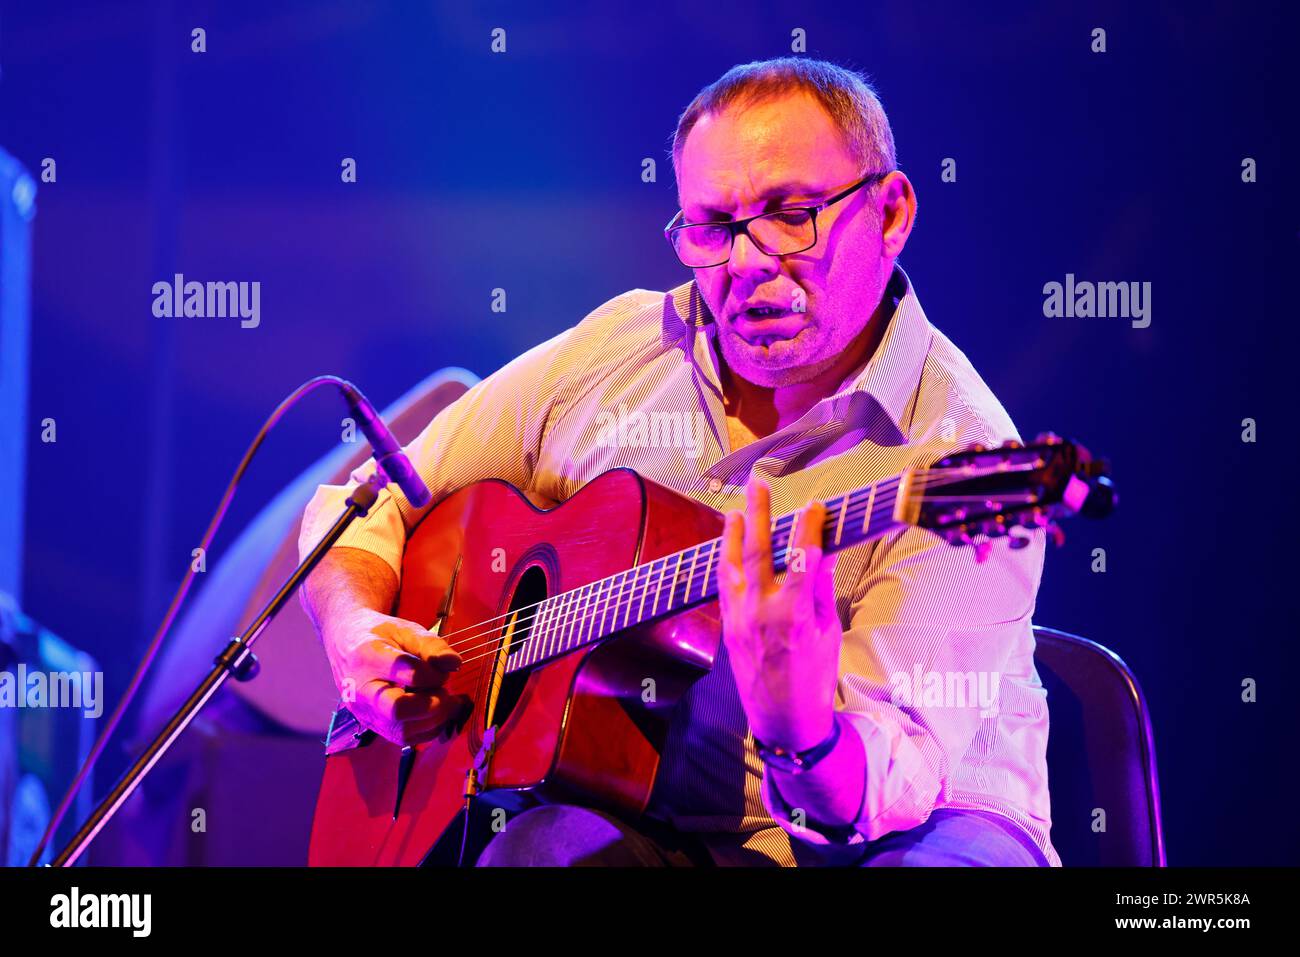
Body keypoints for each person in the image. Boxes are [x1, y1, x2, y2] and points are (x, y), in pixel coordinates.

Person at [299, 57, 1057, 867]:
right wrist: (354, 635)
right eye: (713, 227)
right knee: (538, 854)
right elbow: (366, 504)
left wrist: (804, 733)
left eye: (791, 213)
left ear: (892, 211)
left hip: (903, 831)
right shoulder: (621, 345)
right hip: (650, 817)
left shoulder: (963, 452)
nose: (746, 261)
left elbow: (885, 780)